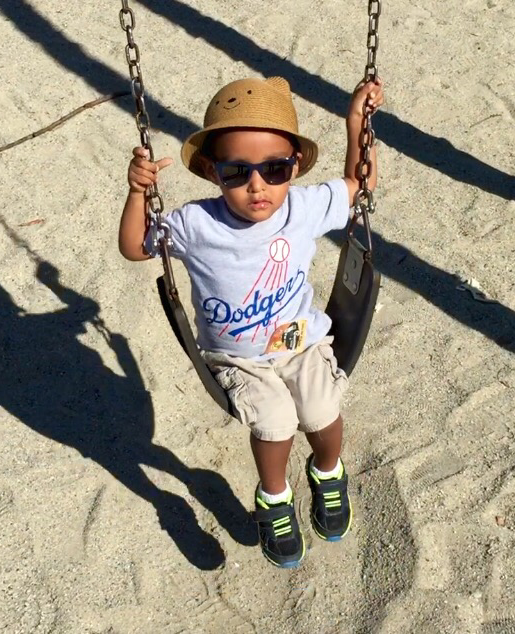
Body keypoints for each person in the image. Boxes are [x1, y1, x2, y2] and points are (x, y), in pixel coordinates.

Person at [118, 75, 384, 568]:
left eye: (275, 169)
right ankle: (275, 498)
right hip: (239, 360)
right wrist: (138, 192)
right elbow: (136, 247)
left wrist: (356, 124)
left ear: (295, 166)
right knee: (276, 418)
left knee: (322, 408)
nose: (257, 185)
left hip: (301, 343)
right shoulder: (196, 224)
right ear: (213, 171)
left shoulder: (303, 208)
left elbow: (358, 186)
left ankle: (328, 471)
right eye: (237, 172)